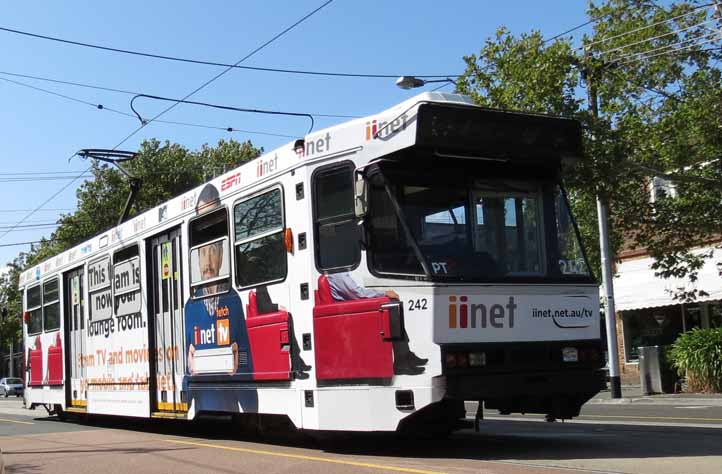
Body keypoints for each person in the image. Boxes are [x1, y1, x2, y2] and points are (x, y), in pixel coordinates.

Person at [183, 183, 257, 413]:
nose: (207, 262)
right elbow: (187, 358)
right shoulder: (190, 307)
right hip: (203, 398)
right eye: (202, 253)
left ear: (222, 255)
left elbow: (245, 355)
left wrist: (251, 407)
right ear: (195, 259)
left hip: (229, 398)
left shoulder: (233, 300)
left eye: (213, 251)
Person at [326, 272, 427, 376]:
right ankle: (401, 361)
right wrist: (384, 293)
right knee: (392, 305)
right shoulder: (337, 273)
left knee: (393, 304)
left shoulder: (337, 272)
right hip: (349, 316)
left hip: (351, 312)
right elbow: (357, 293)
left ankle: (405, 354)